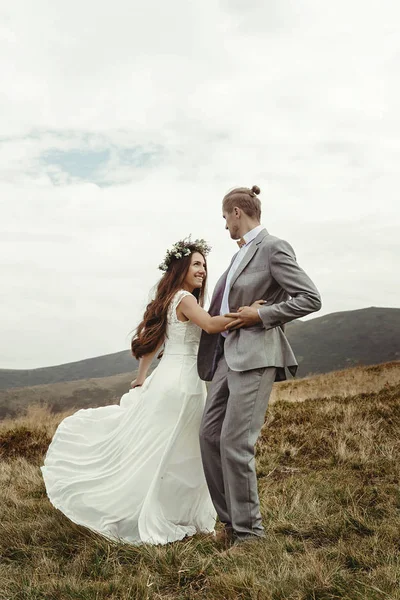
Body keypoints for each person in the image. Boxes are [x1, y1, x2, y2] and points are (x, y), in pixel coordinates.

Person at [41, 237, 253, 546]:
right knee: (174, 451)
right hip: (182, 385)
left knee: (167, 449)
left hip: (169, 380)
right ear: (181, 267)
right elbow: (209, 326)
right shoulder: (186, 299)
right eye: (196, 264)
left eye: (204, 265)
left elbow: (153, 342)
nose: (202, 270)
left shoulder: (172, 300)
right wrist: (246, 317)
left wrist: (142, 377)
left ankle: (164, 508)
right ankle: (157, 511)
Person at [197, 185, 322, 547]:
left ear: (237, 212)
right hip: (225, 354)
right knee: (208, 436)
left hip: (255, 355)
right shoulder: (238, 255)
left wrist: (262, 314)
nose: (224, 227)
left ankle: (250, 534)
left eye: (225, 218)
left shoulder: (273, 247)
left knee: (236, 442)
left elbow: (310, 298)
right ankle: (230, 522)